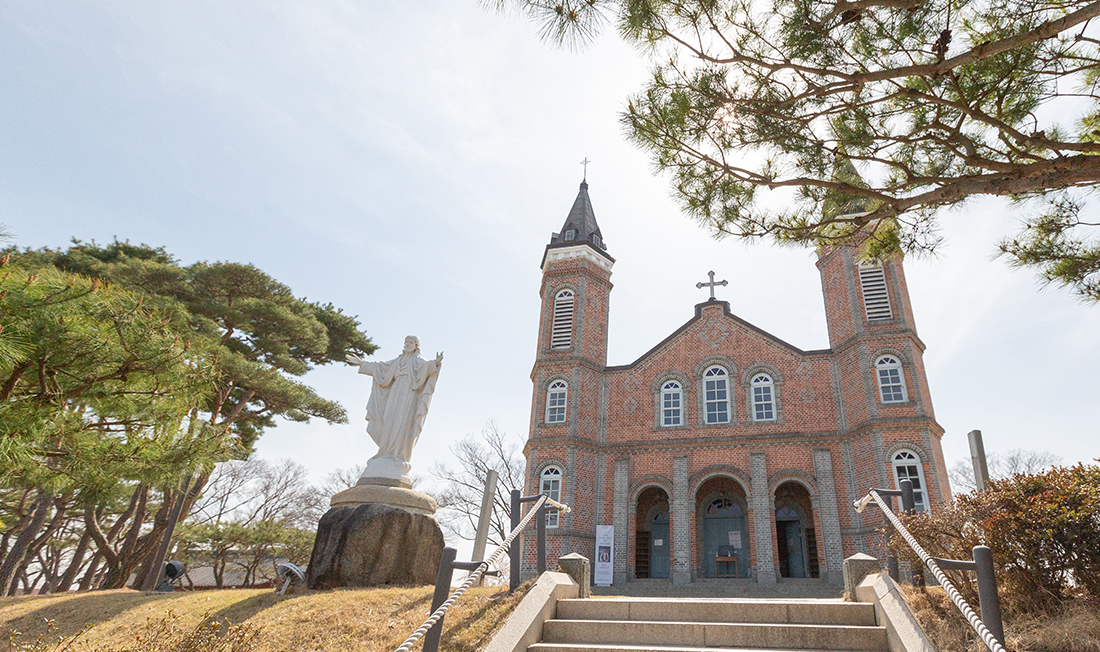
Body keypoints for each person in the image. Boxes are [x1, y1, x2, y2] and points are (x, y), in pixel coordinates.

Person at [346, 335, 443, 485]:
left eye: (410, 343)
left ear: (416, 345)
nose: (407, 345)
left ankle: (398, 455)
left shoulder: (418, 361)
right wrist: (362, 363)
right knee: (389, 422)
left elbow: (427, 367)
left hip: (409, 396)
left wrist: (435, 363)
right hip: (395, 392)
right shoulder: (398, 361)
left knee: (402, 424)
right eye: (405, 342)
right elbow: (381, 367)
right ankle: (385, 452)